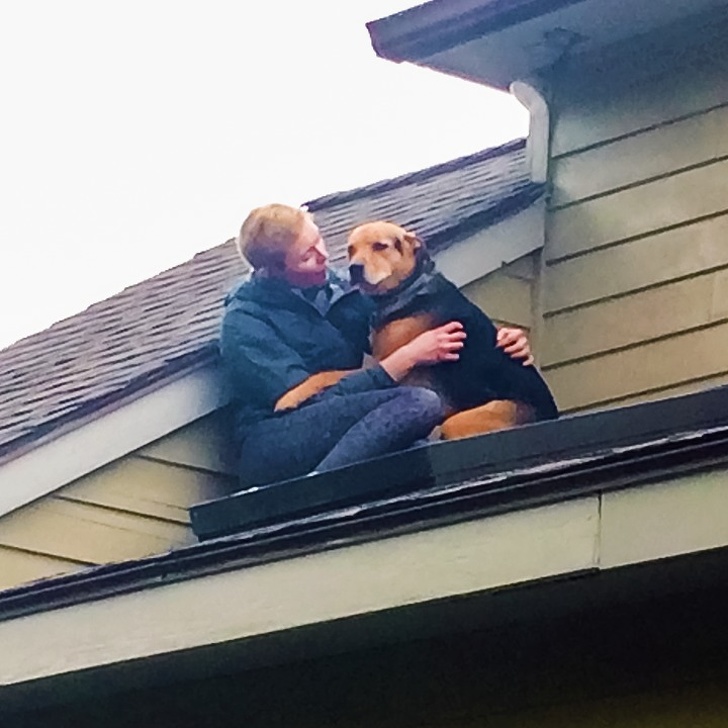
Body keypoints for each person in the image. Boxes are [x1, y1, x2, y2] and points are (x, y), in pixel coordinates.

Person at [220, 203, 533, 487]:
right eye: (307, 256)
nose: (324, 256)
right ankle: (316, 491)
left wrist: (500, 341)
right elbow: (303, 401)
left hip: (348, 425)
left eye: (319, 241)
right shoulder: (245, 320)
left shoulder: (346, 291)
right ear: (273, 270)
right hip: (276, 441)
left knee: (418, 442)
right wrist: (404, 359)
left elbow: (413, 318)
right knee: (419, 403)